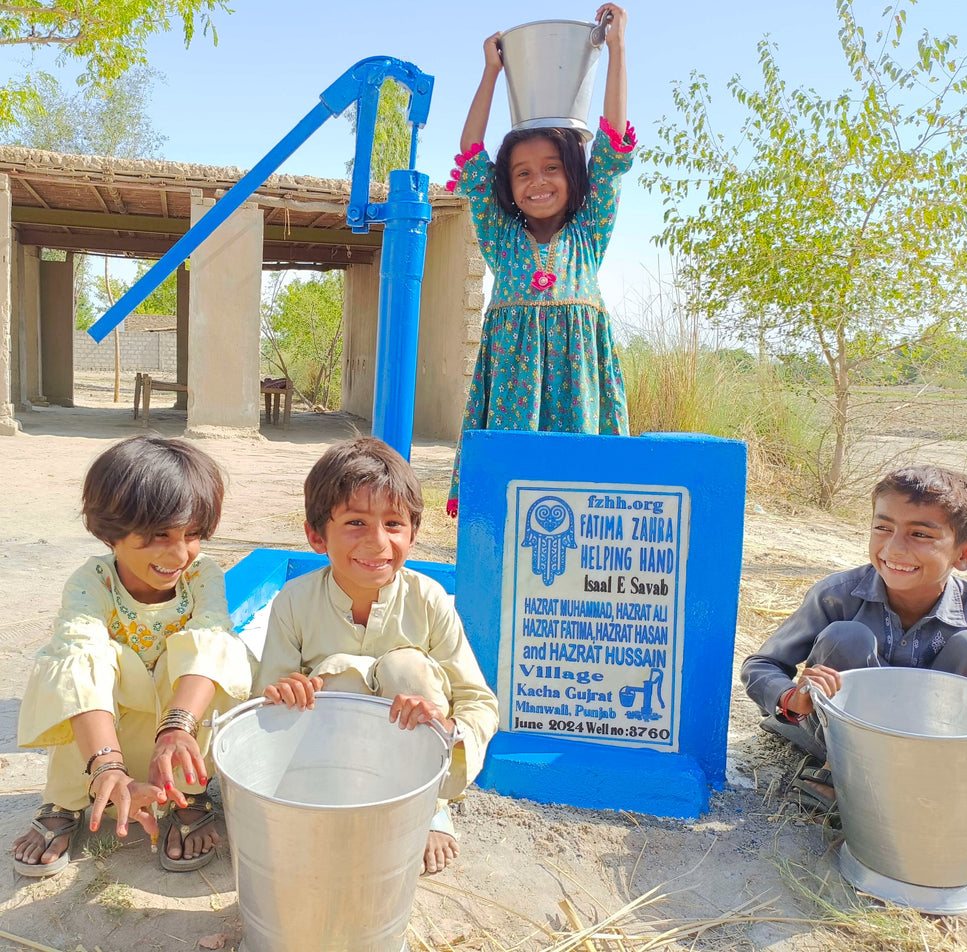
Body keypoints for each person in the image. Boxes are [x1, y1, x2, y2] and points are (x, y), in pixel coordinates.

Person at [742, 464, 967, 847]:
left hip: (935, 749)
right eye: (883, 527)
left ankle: (949, 790)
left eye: (920, 534)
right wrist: (793, 698)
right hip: (839, 742)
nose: (894, 548)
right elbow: (762, 666)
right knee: (847, 637)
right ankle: (839, 777)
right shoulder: (837, 595)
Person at [254, 437, 499, 874]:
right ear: (315, 535)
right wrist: (284, 691)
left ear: (414, 534)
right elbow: (263, 700)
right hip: (327, 761)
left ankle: (428, 807)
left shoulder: (429, 600)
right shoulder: (294, 601)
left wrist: (446, 729)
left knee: (407, 667)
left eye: (393, 523)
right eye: (355, 523)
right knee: (336, 680)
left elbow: (479, 702)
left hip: (410, 761)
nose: (377, 542)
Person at [12, 437, 253, 876]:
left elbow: (211, 640)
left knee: (214, 653)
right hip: (105, 730)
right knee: (75, 666)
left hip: (170, 724)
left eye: (192, 534)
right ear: (111, 530)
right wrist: (107, 765)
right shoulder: (92, 584)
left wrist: (178, 727)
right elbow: (79, 660)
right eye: (159, 534)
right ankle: (71, 797)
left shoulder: (202, 577)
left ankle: (186, 792)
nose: (179, 554)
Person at [444, 3, 634, 517]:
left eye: (551, 168)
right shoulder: (501, 237)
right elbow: (471, 152)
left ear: (575, 174)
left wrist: (617, 49)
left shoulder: (588, 232)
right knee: (514, 495)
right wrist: (491, 72)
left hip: (579, 385)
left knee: (580, 492)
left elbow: (614, 149)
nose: (538, 181)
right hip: (511, 395)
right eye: (523, 173)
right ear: (508, 185)